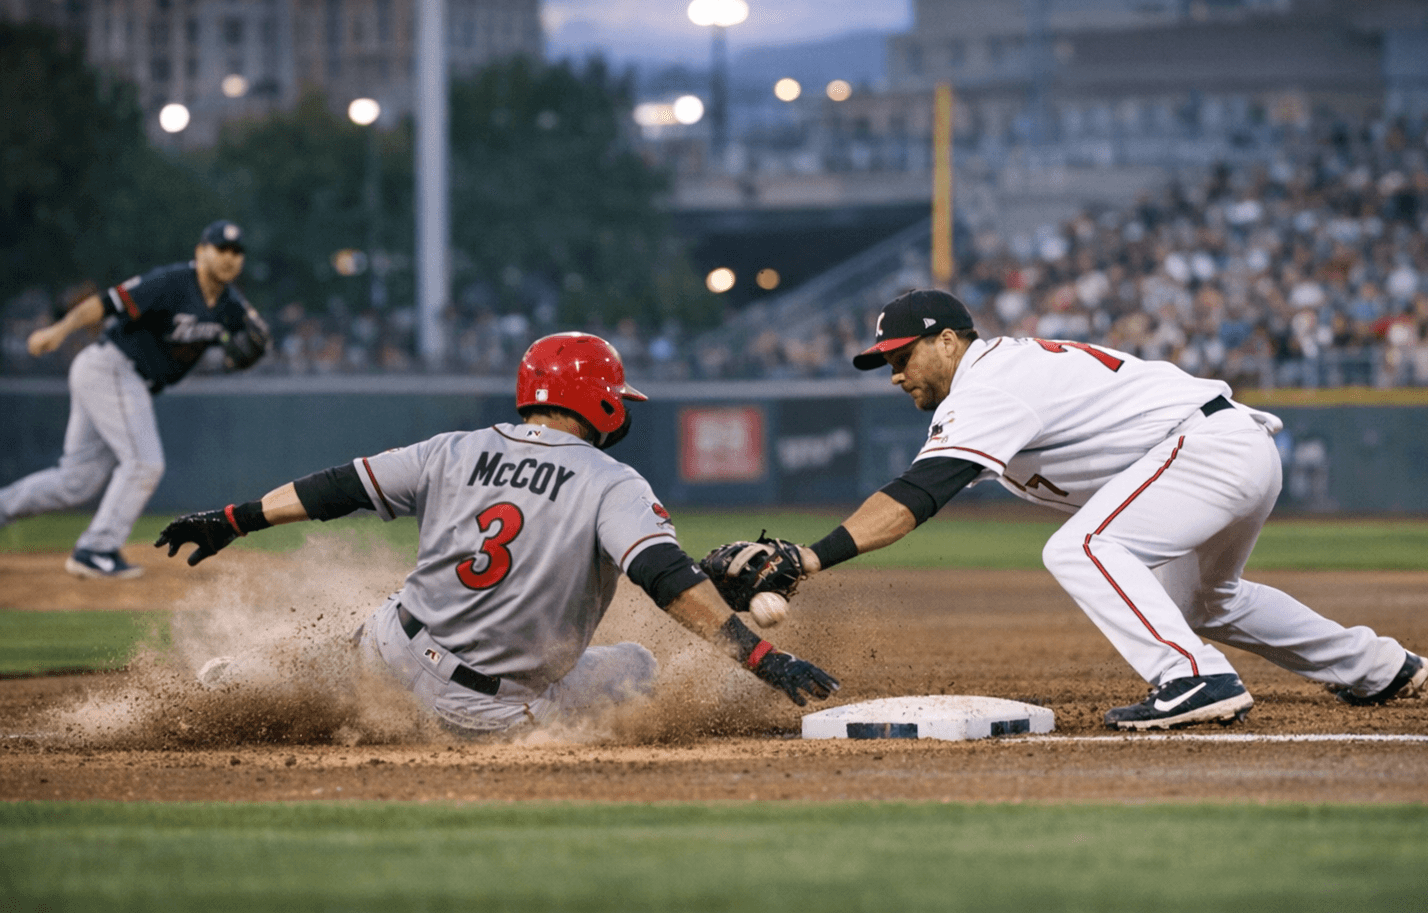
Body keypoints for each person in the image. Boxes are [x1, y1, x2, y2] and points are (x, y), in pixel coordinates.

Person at [772, 289, 1428, 731]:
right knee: (1206, 601)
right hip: (1228, 449)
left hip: (1205, 450)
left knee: (1080, 547)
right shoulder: (998, 380)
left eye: (900, 356)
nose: (893, 374)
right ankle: (1374, 667)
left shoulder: (988, 385)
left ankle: (1193, 677)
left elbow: (921, 494)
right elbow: (928, 481)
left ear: (947, 340)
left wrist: (808, 557)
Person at [155, 332, 838, 735]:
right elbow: (665, 579)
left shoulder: (451, 448)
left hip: (394, 648)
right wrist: (762, 658)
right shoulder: (613, 482)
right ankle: (319, 699)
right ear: (600, 400)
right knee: (638, 667)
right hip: (482, 711)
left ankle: (245, 683)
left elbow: (336, 488)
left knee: (366, 639)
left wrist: (233, 519)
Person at [0, 221, 268, 579]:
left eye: (236, 252)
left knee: (76, 481)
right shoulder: (172, 282)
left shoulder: (230, 304)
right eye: (221, 249)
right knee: (144, 463)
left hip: (124, 380)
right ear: (200, 251)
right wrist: (59, 330)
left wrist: (248, 350)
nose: (229, 258)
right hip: (111, 368)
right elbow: (107, 302)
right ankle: (96, 549)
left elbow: (254, 338)